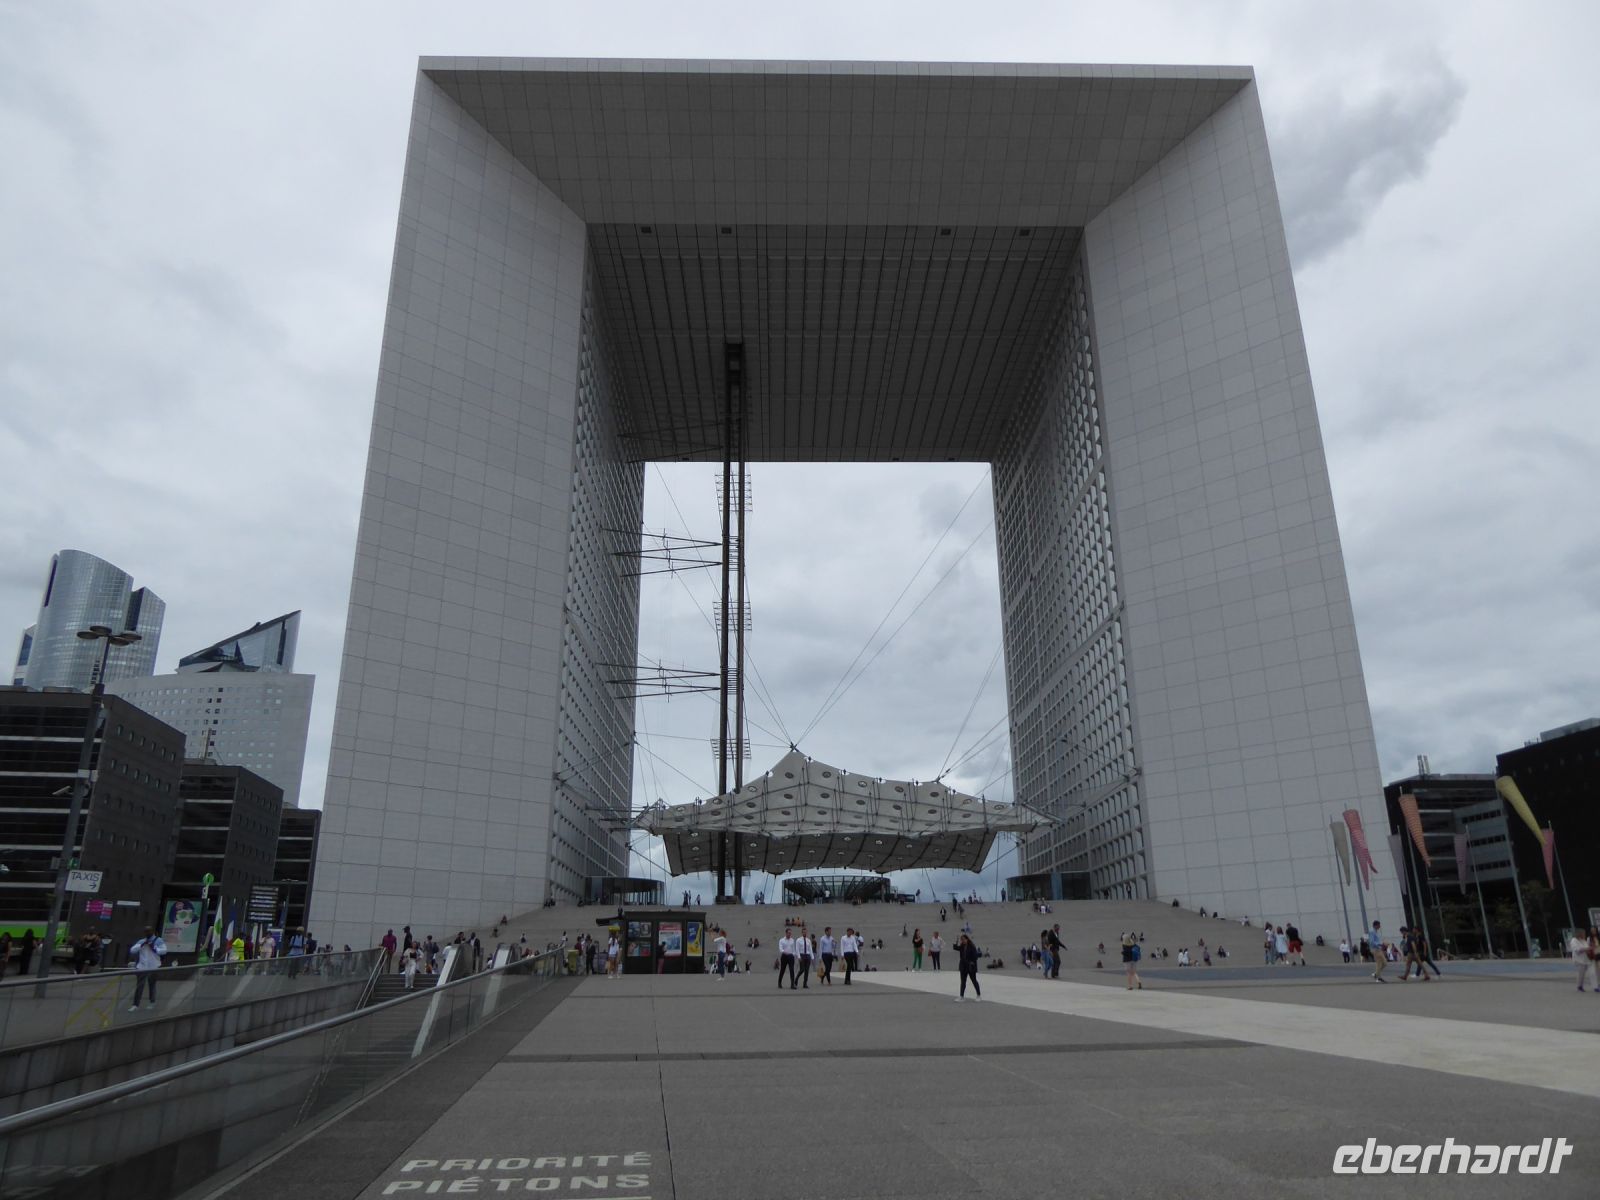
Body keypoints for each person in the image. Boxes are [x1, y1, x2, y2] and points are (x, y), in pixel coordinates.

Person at [127, 927, 167, 1011]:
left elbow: (164, 951)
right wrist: (142, 945)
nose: (147, 933)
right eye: (145, 931)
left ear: (152, 931)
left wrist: (154, 948)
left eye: (148, 931)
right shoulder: (141, 941)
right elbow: (132, 950)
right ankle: (135, 1005)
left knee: (152, 985)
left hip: (154, 967)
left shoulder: (158, 940)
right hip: (142, 967)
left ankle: (152, 1002)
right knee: (139, 986)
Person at [955, 933, 981, 1001]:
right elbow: (955, 948)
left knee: (974, 981)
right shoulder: (962, 946)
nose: (962, 941)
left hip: (970, 966)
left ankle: (978, 995)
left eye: (963, 939)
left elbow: (975, 957)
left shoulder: (972, 946)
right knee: (963, 981)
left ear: (967, 939)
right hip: (963, 966)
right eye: (961, 940)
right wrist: (956, 941)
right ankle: (961, 996)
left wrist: (971, 962)